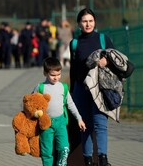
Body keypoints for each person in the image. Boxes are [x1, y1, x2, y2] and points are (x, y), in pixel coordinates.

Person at [69, 8, 114, 166]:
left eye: (90, 21)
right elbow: (73, 69)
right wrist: (72, 92)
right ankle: (87, 159)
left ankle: (103, 159)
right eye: (84, 21)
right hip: (81, 89)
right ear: (79, 24)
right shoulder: (75, 43)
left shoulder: (103, 39)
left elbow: (117, 60)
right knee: (85, 126)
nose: (87, 24)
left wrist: (106, 61)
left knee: (100, 124)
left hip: (100, 89)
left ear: (94, 22)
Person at [32, 57, 86, 166]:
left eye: (58, 74)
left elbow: (70, 105)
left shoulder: (63, 87)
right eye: (53, 75)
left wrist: (79, 119)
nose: (56, 78)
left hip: (61, 123)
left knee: (64, 148)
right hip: (46, 124)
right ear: (45, 73)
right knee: (47, 151)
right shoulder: (40, 87)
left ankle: (61, 164)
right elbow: (31, 103)